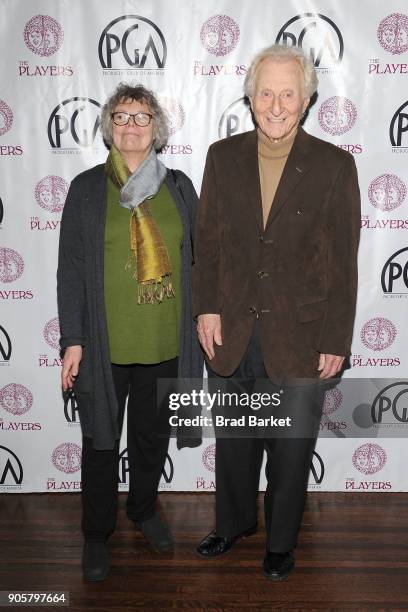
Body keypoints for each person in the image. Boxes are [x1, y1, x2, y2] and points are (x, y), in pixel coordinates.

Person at [193, 44, 360, 580]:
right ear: (251, 95)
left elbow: (343, 262)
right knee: (236, 441)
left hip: (302, 333)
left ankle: (282, 541)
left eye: (288, 93)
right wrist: (206, 309)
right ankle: (234, 523)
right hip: (233, 329)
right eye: (266, 92)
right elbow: (208, 245)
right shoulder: (222, 156)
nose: (276, 103)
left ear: (307, 99)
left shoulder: (336, 165)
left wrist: (336, 336)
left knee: (290, 451)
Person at [57, 83, 202, 582]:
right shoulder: (86, 189)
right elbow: (71, 270)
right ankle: (97, 532)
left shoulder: (180, 188)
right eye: (122, 117)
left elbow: (200, 263)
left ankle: (143, 510)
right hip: (103, 346)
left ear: (157, 128)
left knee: (149, 438)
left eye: (142, 117)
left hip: (164, 340)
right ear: (109, 128)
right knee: (99, 441)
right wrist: (72, 340)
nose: (132, 126)